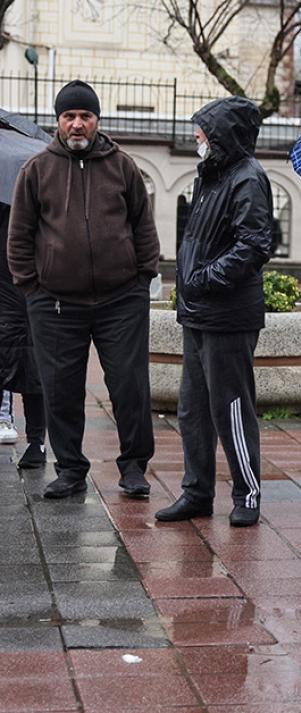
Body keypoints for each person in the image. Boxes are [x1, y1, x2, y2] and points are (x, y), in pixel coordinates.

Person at [7, 80, 158, 499]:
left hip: (121, 300)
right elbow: (19, 235)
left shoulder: (122, 165)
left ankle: (133, 468)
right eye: (69, 116)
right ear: (58, 121)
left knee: (129, 385)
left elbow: (144, 225)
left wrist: (142, 278)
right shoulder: (36, 170)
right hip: (54, 303)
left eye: (85, 116)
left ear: (97, 120)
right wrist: (31, 289)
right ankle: (70, 469)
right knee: (61, 390)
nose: (77, 124)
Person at [155, 97, 274, 528]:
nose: (195, 137)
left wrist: (204, 279)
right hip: (198, 313)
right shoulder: (211, 176)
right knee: (193, 409)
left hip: (227, 315)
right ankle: (196, 492)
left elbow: (255, 245)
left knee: (232, 408)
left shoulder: (248, 178)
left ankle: (247, 492)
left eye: (202, 130)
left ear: (221, 134)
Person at [0, 202, 46, 469]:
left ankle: (36, 440)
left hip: (29, 300)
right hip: (12, 299)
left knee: (32, 369)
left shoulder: (34, 214)